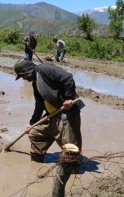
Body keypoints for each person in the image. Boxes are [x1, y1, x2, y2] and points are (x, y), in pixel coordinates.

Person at [14, 60, 84, 196]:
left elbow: (68, 77)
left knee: (71, 147)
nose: (24, 79)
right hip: (51, 115)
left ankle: (73, 171)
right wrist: (32, 122)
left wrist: (69, 97)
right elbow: (39, 105)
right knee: (35, 133)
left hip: (66, 112)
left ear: (27, 71)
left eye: (23, 76)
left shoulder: (44, 69)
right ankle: (37, 161)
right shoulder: (36, 81)